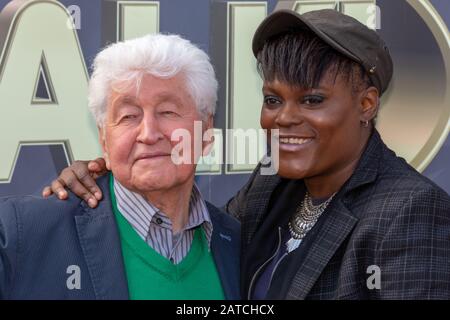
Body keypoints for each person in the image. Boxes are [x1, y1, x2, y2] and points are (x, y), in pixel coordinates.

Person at [42, 9, 450, 299]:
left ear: (367, 104)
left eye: (312, 99)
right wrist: (101, 177)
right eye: (274, 99)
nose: (284, 119)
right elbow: (202, 238)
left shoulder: (411, 210)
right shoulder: (273, 183)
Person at [0, 34, 240, 299]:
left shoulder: (240, 247)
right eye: (129, 116)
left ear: (206, 131)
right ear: (104, 138)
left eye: (168, 111)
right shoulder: (20, 234)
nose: (148, 133)